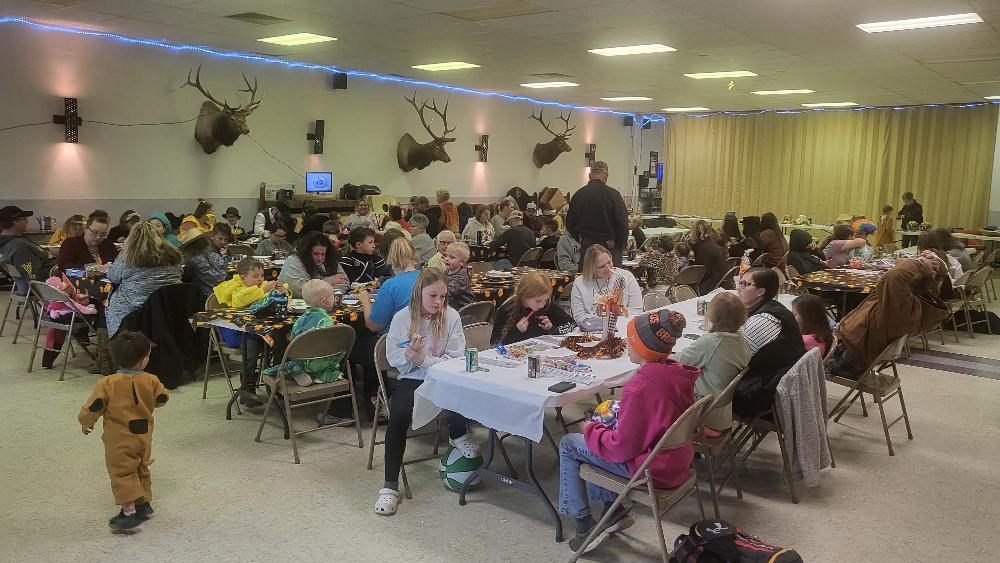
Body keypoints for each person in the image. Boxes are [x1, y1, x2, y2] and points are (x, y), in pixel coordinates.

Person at [559, 308, 698, 553]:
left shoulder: (639, 386)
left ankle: (584, 525)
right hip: (676, 464)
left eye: (629, 339)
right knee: (604, 422)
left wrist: (590, 429)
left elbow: (619, 449)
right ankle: (611, 512)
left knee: (570, 443)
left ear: (641, 347)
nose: (625, 344)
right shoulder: (676, 374)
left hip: (650, 471)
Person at [376, 268, 476, 516]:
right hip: (412, 377)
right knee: (399, 414)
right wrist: (410, 355)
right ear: (418, 293)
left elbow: (456, 359)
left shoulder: (451, 316)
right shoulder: (402, 318)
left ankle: (458, 433)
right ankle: (390, 486)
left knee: (468, 393)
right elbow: (394, 359)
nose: (438, 302)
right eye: (433, 296)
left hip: (444, 376)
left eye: (443, 296)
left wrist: (424, 360)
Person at [318, 238, 422, 425]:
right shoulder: (425, 279)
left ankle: (342, 410)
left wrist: (365, 299)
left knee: (346, 347)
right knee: (367, 342)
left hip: (395, 346)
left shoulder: (391, 285)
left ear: (391, 258)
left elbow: (374, 325)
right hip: (421, 340)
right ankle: (375, 402)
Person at [78, 331, 168, 532]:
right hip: (143, 436)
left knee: (122, 472)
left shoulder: (107, 384)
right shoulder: (151, 380)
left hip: (119, 439)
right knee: (141, 467)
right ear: (144, 360)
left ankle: (129, 513)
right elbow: (162, 398)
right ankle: (143, 503)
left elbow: (93, 407)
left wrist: (86, 422)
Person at [826, 254, 950, 380]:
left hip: (845, 354)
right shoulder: (915, 303)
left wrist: (920, 263)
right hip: (853, 343)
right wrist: (936, 264)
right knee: (814, 307)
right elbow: (929, 281)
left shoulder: (901, 306)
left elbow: (892, 277)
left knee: (812, 309)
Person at [214, 257, 290, 406]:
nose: (260, 279)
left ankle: (276, 384)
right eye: (255, 276)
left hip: (263, 332)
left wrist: (283, 292)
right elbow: (240, 300)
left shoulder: (262, 286)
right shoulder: (237, 289)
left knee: (283, 343)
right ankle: (247, 389)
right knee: (251, 352)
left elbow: (280, 301)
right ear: (243, 278)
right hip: (239, 333)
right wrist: (264, 290)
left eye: (261, 275)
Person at [732, 267, 805, 420]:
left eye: (745, 284)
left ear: (760, 291)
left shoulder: (764, 320)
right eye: (739, 282)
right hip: (776, 382)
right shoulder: (774, 308)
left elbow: (735, 360)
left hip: (762, 395)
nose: (738, 288)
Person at [675, 292, 750, 437]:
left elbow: (678, 361)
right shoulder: (742, 341)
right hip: (722, 413)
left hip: (703, 414)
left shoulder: (711, 342)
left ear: (713, 316)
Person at [104, 223, 184, 337]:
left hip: (133, 311)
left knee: (109, 303)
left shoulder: (128, 257)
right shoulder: (173, 255)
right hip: (169, 308)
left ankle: (114, 342)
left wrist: (123, 251)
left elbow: (113, 277)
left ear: (131, 238)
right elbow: (181, 273)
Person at [262, 279, 344, 387]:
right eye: (332, 297)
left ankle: (299, 370)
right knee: (341, 346)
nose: (334, 300)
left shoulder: (299, 321)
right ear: (323, 302)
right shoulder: (326, 321)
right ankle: (321, 375)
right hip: (318, 362)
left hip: (300, 360)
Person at [565, 161, 629, 269]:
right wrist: (620, 244)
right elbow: (622, 223)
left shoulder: (578, 195)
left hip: (587, 247)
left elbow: (569, 224)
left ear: (590, 175)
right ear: (606, 176)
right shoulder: (614, 195)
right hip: (609, 248)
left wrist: (582, 239)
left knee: (587, 277)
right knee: (610, 278)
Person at [491, 271, 575, 344]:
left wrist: (552, 329)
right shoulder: (507, 309)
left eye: (545, 300)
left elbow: (572, 324)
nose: (542, 305)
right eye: (538, 301)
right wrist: (516, 331)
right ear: (524, 296)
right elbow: (495, 344)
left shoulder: (546, 305)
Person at [571, 244, 642, 324]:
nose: (608, 268)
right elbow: (579, 317)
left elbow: (636, 311)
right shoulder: (579, 283)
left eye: (609, 262)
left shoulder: (626, 276)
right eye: (601, 267)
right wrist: (601, 322)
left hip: (623, 326)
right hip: (592, 328)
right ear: (591, 268)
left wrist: (617, 317)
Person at [278, 231, 348, 298]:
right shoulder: (293, 261)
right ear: (306, 251)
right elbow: (300, 291)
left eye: (323, 254)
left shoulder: (330, 258)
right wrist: (328, 281)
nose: (320, 258)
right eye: (316, 254)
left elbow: (344, 281)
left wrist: (329, 294)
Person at [182, 223, 232, 298]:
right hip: (221, 293)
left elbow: (184, 278)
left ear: (189, 248)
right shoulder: (212, 254)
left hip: (204, 296)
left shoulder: (194, 261)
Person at [688, 221, 728, 295]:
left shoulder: (702, 248)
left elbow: (703, 271)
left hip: (708, 284)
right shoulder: (711, 244)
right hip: (719, 280)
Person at [443, 242, 475, 309]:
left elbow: (447, 292)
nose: (447, 259)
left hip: (464, 310)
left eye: (452, 257)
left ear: (462, 262)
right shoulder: (445, 273)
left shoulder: (461, 277)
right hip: (451, 308)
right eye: (446, 256)